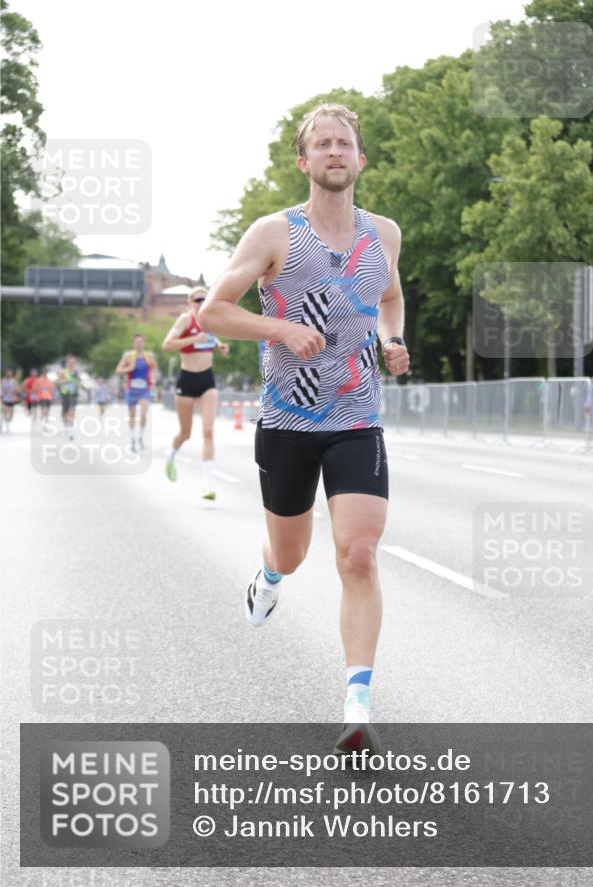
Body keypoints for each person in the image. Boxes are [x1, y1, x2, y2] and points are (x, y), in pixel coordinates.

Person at [199, 103, 410, 749]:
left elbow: (390, 297)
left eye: (343, 143)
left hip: (357, 419)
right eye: (321, 144)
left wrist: (392, 339)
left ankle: (356, 702)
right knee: (290, 552)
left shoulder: (384, 235)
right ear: (303, 161)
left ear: (360, 158)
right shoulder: (274, 234)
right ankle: (267, 576)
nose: (334, 152)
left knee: (359, 554)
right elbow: (212, 313)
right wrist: (281, 327)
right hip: (287, 422)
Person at [162, 286, 230, 500]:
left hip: (207, 380)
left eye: (206, 298)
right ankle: (170, 454)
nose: (202, 302)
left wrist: (220, 346)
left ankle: (207, 485)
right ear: (191, 302)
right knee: (186, 433)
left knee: (208, 432)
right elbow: (167, 345)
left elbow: (210, 339)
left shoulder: (210, 321)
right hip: (187, 380)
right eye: (198, 299)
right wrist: (193, 340)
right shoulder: (185, 320)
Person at [115, 334, 158, 452]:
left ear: (144, 344)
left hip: (145, 389)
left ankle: (141, 436)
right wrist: (129, 368)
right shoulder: (128, 356)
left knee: (144, 413)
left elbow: (155, 369)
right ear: (134, 344)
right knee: (132, 415)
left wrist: (153, 378)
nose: (139, 344)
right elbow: (118, 370)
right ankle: (132, 438)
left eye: (141, 342)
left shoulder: (148, 356)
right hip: (132, 389)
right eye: (137, 342)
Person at [57, 355, 80, 440]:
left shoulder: (76, 372)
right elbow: (57, 382)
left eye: (73, 363)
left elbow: (78, 382)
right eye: (70, 363)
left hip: (73, 394)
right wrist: (64, 381)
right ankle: (66, 425)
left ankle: (70, 430)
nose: (72, 364)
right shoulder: (63, 372)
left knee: (72, 411)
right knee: (65, 412)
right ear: (67, 363)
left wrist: (78, 385)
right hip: (65, 394)